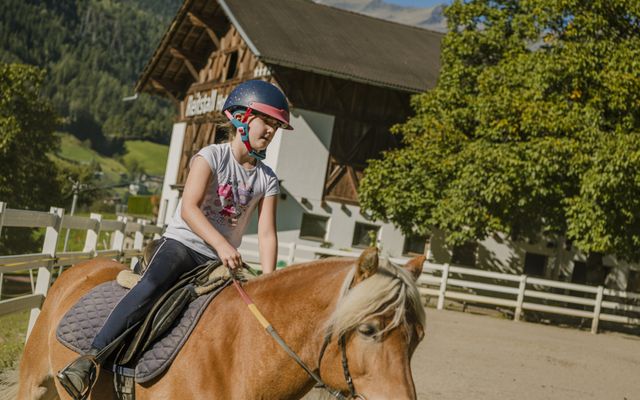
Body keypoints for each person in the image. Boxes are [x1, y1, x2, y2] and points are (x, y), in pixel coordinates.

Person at [57, 80, 293, 399]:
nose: (270, 133)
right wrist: (223, 244)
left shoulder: (267, 179)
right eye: (267, 123)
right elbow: (189, 209)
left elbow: (267, 233)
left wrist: (270, 281)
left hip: (217, 263)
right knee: (151, 287)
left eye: (276, 128)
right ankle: (90, 359)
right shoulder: (210, 157)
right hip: (182, 246)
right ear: (242, 117)